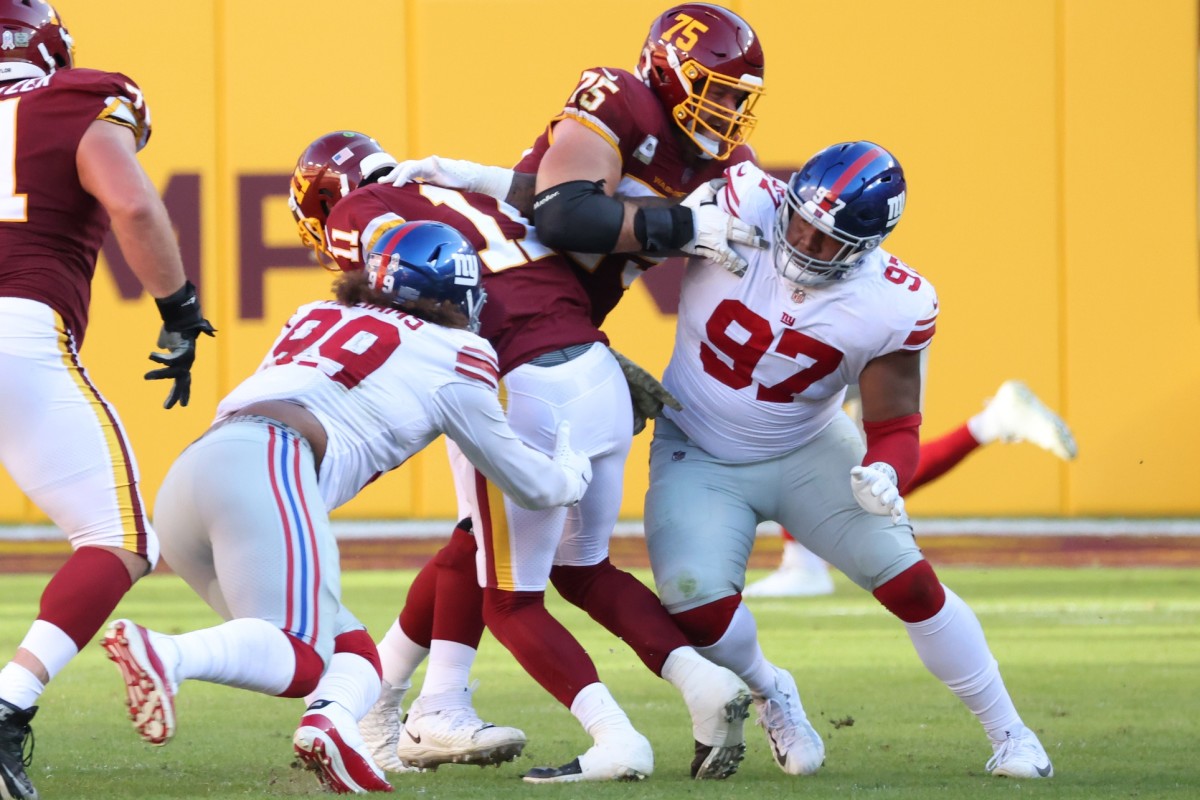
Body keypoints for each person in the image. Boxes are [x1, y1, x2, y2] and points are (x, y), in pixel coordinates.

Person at [287, 128, 755, 783]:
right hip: (595, 368)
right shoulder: (458, 195)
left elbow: (406, 299)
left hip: (517, 385)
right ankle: (702, 684)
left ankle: (613, 738)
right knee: (566, 565)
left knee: (509, 598)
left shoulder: (357, 215)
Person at [99, 221, 594, 795]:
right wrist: (572, 472)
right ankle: (164, 652)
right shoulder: (456, 351)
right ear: (445, 294)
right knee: (300, 654)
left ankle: (331, 728)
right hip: (273, 461)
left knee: (349, 649)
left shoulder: (317, 314)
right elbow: (529, 485)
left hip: (194, 475)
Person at [643, 140, 1055, 779]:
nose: (805, 241)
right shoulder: (741, 203)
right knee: (695, 608)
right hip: (696, 450)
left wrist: (888, 470)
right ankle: (769, 688)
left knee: (910, 582)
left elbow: (897, 424)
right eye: (802, 220)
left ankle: (1012, 735)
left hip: (808, 448)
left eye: (829, 238)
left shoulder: (893, 301)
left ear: (867, 246)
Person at [0, 5, 215, 799]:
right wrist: (180, 308)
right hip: (15, 329)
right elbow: (131, 204)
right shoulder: (78, 98)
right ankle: (8, 703)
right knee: (118, 536)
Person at [745, 382, 1080, 598]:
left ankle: (803, 563)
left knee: (782, 410)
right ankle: (989, 424)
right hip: (883, 316)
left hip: (836, 322)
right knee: (865, 468)